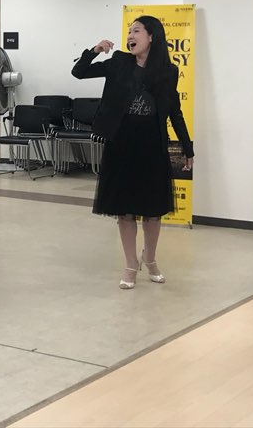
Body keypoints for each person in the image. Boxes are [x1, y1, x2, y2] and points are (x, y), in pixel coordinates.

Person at [72, 15, 193, 289]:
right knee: (125, 210)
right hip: (122, 142)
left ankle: (150, 259)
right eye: (129, 31)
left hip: (152, 144)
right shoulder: (119, 63)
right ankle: (130, 264)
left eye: (136, 31)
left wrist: (188, 147)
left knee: (153, 209)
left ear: (151, 36)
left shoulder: (168, 71)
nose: (130, 36)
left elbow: (174, 111)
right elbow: (79, 72)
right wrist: (94, 50)